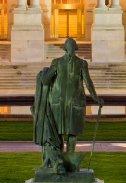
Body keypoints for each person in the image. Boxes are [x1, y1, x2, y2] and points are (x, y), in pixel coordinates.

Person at [32, 37, 102, 175]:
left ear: (64, 48)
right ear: (75, 48)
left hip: (61, 102)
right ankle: (65, 161)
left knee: (61, 132)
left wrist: (43, 74)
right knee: (71, 133)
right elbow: (88, 82)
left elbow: (46, 82)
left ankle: (61, 162)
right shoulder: (81, 63)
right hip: (71, 102)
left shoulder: (57, 62)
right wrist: (95, 98)